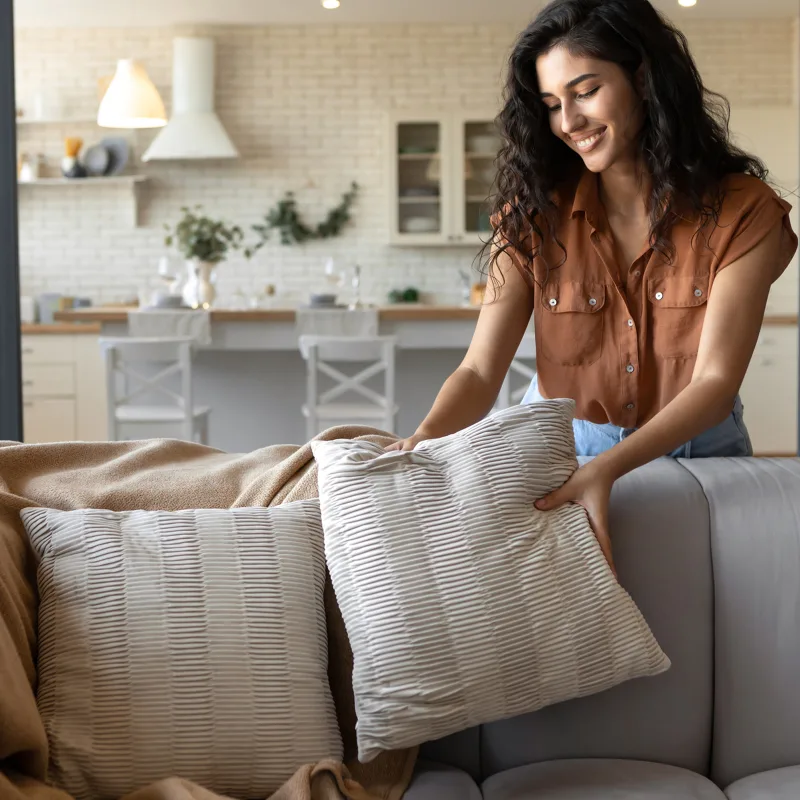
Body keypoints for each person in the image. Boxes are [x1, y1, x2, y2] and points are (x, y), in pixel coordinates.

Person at [386, 0, 798, 571]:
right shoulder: (532, 216)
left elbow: (715, 381)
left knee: (714, 622)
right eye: (553, 104)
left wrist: (608, 469)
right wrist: (423, 441)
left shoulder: (741, 211)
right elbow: (481, 371)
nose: (568, 123)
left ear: (644, 79)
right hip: (573, 450)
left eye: (584, 91)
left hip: (706, 453)